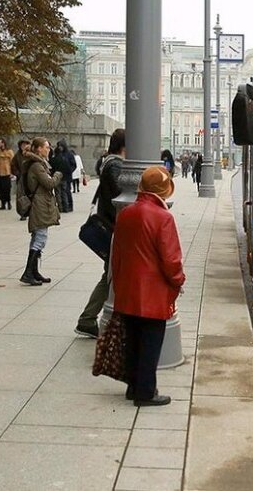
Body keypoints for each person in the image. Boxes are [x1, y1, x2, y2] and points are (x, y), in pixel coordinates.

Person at [110, 165, 185, 407]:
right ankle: (146, 392)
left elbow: (117, 254)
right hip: (153, 292)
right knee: (151, 343)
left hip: (129, 288)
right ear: (164, 190)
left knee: (133, 340)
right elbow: (171, 258)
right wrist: (178, 281)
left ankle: (133, 387)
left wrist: (119, 283)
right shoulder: (163, 218)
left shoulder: (126, 213)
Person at [75, 128, 126, 338]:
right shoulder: (114, 165)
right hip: (113, 227)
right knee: (111, 276)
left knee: (110, 276)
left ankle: (88, 319)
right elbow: (120, 194)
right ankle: (88, 319)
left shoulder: (110, 162)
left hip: (111, 224)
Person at [19, 137, 63, 285]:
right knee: (40, 238)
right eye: (46, 147)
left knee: (38, 237)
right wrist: (57, 175)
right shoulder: (37, 166)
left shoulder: (40, 164)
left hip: (42, 203)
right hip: (40, 204)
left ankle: (34, 271)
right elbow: (49, 184)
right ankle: (28, 273)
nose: (48, 149)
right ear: (38, 149)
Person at [50, 139, 74, 212]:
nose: (60, 147)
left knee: (65, 192)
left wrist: (69, 171)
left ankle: (67, 206)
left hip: (66, 176)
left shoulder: (69, 154)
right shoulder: (61, 157)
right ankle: (64, 207)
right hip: (62, 176)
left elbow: (72, 165)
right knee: (63, 192)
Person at [0, 138, 15, 210]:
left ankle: (8, 202)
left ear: (4, 143)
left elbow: (13, 163)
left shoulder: (9, 152)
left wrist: (13, 172)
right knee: (0, 189)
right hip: (0, 173)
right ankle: (3, 203)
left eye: (0, 143)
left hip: (7, 173)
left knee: (7, 189)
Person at [11, 139, 30, 221]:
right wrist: (17, 173)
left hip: (30, 178)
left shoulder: (30, 154)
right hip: (21, 179)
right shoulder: (17, 155)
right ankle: (23, 213)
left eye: (25, 145)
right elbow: (13, 165)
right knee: (21, 196)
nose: (24, 147)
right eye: (22, 145)